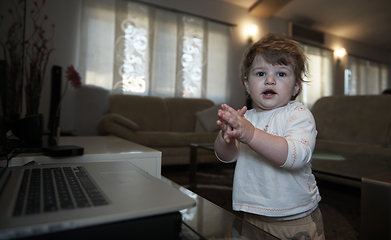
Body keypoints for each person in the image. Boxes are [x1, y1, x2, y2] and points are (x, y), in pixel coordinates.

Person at [214, 33, 324, 240]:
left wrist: (251, 134)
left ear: (296, 87)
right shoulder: (246, 118)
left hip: (294, 216)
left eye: (281, 74)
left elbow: (295, 156)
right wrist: (225, 136)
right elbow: (226, 156)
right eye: (261, 73)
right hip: (252, 213)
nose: (270, 80)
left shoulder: (298, 114)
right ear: (247, 85)